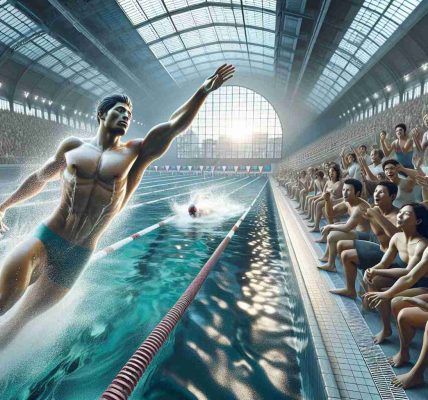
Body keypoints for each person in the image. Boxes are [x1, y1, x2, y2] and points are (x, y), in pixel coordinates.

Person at [0, 64, 235, 346]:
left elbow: (173, 127)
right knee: (4, 301)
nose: (125, 116)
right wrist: (4, 206)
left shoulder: (135, 153)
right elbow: (40, 178)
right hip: (47, 237)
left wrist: (202, 92)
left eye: (129, 113)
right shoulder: (73, 147)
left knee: (19, 322)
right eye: (119, 111)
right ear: (101, 115)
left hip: (78, 254)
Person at [362, 203, 428, 343]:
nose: (400, 215)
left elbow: (409, 273)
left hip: (420, 282)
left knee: (394, 299)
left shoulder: (421, 244)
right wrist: (371, 270)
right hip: (408, 278)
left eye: (406, 214)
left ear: (418, 221)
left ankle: (405, 341)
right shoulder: (397, 237)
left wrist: (388, 291)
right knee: (372, 279)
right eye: (400, 212)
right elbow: (383, 264)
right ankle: (386, 327)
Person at [330, 181, 399, 299]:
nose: (376, 195)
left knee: (348, 255)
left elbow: (395, 236)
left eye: (381, 192)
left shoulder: (396, 215)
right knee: (342, 247)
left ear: (392, 197)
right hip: (378, 246)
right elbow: (338, 215)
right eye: (376, 191)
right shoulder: (374, 210)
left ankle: (358, 285)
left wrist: (376, 214)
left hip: (391, 256)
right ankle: (350, 289)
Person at [317, 179, 370, 272]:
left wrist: (330, 226)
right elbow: (331, 213)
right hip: (355, 229)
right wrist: (327, 200)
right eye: (343, 189)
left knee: (333, 235)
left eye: (348, 190)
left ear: (357, 193)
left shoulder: (360, 208)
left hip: (366, 235)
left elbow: (347, 227)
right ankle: (327, 257)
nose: (344, 193)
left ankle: (331, 265)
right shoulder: (348, 202)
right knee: (333, 227)